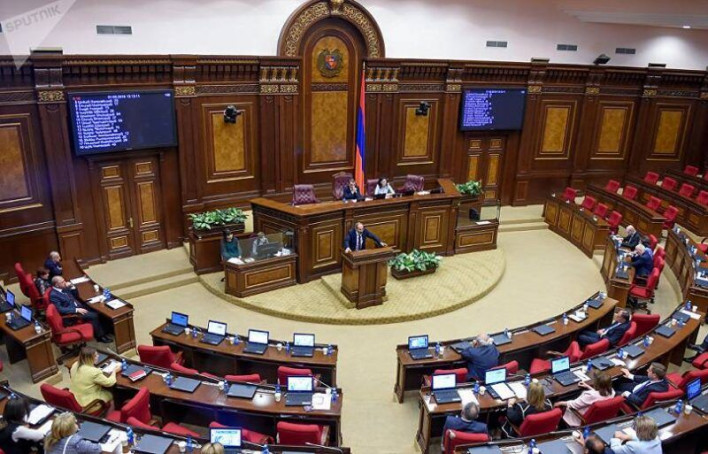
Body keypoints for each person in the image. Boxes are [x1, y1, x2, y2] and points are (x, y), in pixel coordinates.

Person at [49, 276, 109, 343]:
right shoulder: (54, 295)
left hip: (78, 305)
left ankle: (104, 329)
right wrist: (76, 310)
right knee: (93, 315)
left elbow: (75, 296)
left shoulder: (63, 287)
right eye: (62, 282)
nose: (65, 282)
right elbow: (60, 309)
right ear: (57, 285)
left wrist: (72, 287)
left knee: (97, 309)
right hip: (72, 313)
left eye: (64, 280)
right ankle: (100, 336)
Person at [69, 347, 119, 412]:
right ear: (89, 358)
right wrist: (114, 371)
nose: (98, 356)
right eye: (95, 356)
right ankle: (109, 414)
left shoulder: (75, 365)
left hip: (74, 399)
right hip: (87, 404)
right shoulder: (94, 372)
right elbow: (110, 383)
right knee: (112, 394)